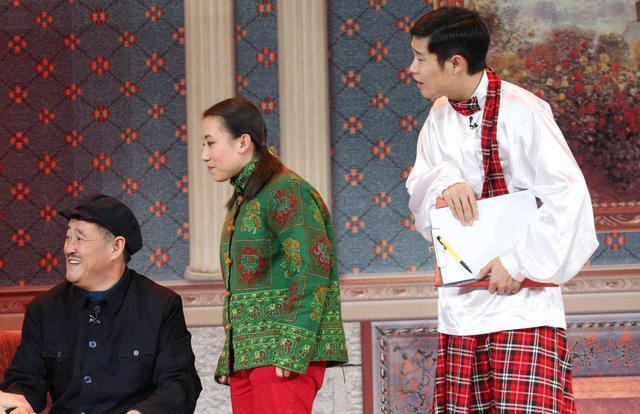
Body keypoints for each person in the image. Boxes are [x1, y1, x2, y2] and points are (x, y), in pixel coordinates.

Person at [405, 6, 598, 413]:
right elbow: (420, 187)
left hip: (524, 309)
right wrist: (444, 182)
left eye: (421, 58)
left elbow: (568, 196)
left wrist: (517, 261)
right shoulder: (438, 118)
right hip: (462, 311)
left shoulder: (524, 111)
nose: (413, 69)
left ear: (455, 63)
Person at [201, 97, 348, 413]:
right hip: (249, 357)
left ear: (243, 142)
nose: (205, 155)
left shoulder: (286, 190)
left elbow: (312, 271)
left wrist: (293, 345)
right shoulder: (246, 197)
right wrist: (232, 355)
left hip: (282, 352)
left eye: (211, 143)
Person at [0, 194, 202, 414]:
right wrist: (17, 405)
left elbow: (180, 384)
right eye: (68, 237)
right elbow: (25, 381)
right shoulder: (44, 308)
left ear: (116, 247)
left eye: (80, 239)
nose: (69, 249)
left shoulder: (160, 305)